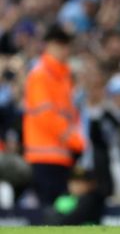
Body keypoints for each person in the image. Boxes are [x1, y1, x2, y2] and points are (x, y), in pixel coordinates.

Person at [23, 24, 85, 206]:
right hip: (45, 157)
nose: (64, 50)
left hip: (60, 156)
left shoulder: (62, 78)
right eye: (60, 44)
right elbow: (47, 116)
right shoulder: (41, 75)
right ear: (49, 46)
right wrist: (74, 140)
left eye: (66, 45)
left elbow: (68, 115)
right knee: (52, 212)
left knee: (61, 210)